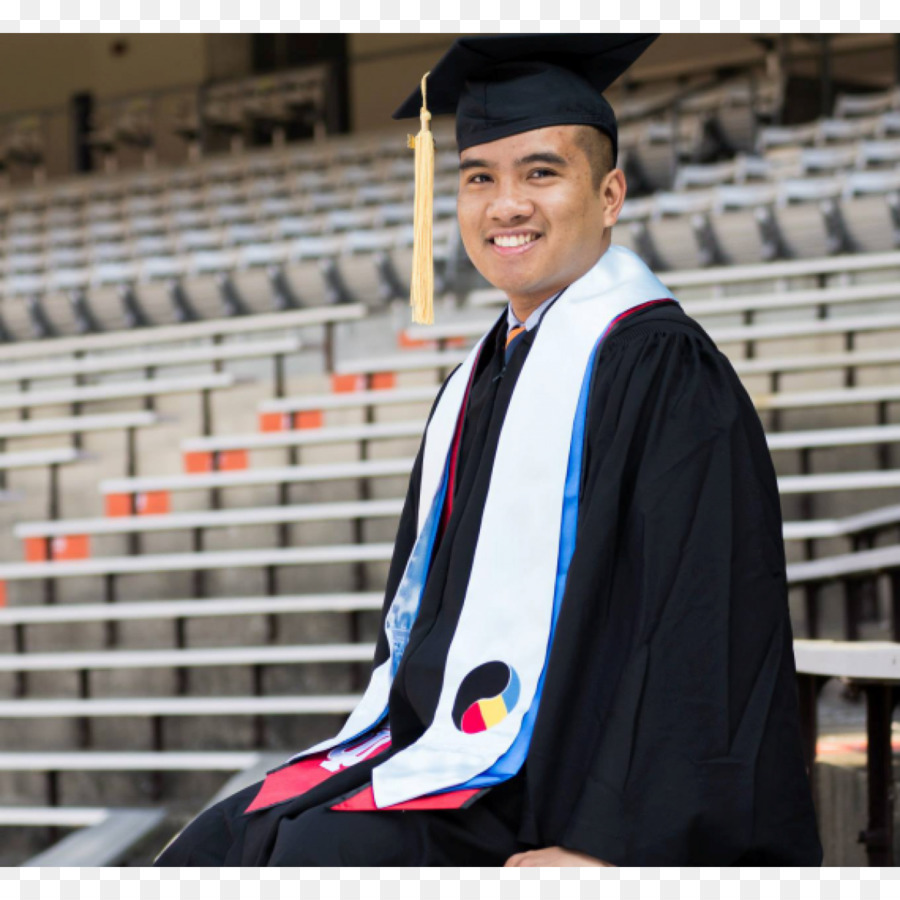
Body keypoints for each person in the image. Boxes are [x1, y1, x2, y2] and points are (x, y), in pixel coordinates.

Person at [156, 34, 823, 866]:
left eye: (541, 172)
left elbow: (702, 619)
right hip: (466, 768)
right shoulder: (479, 379)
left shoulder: (663, 371)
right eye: (480, 177)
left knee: (309, 856)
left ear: (610, 194)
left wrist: (606, 845)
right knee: (218, 842)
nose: (505, 204)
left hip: (576, 800)